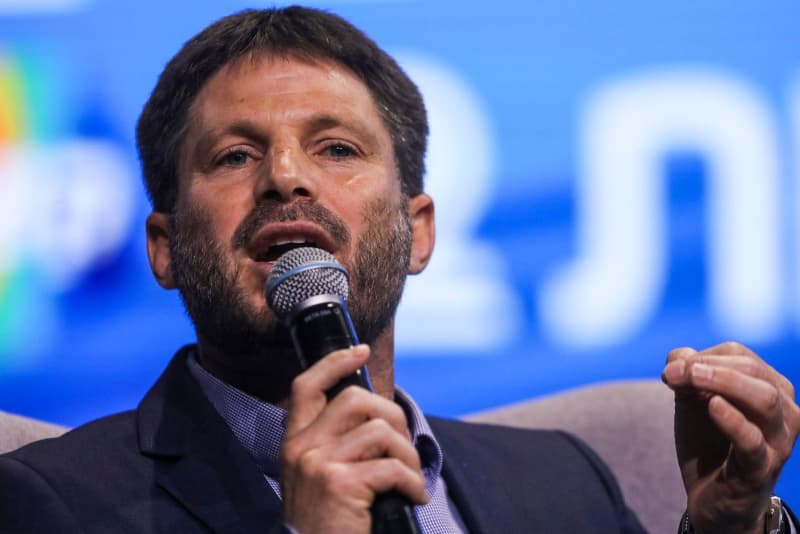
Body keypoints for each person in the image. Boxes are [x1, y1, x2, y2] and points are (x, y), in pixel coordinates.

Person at [0, 6, 798, 533]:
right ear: (165, 249)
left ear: (418, 234)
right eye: (236, 155)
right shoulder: (50, 502)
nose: (286, 178)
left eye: (336, 148)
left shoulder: (561, 481)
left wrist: (731, 524)